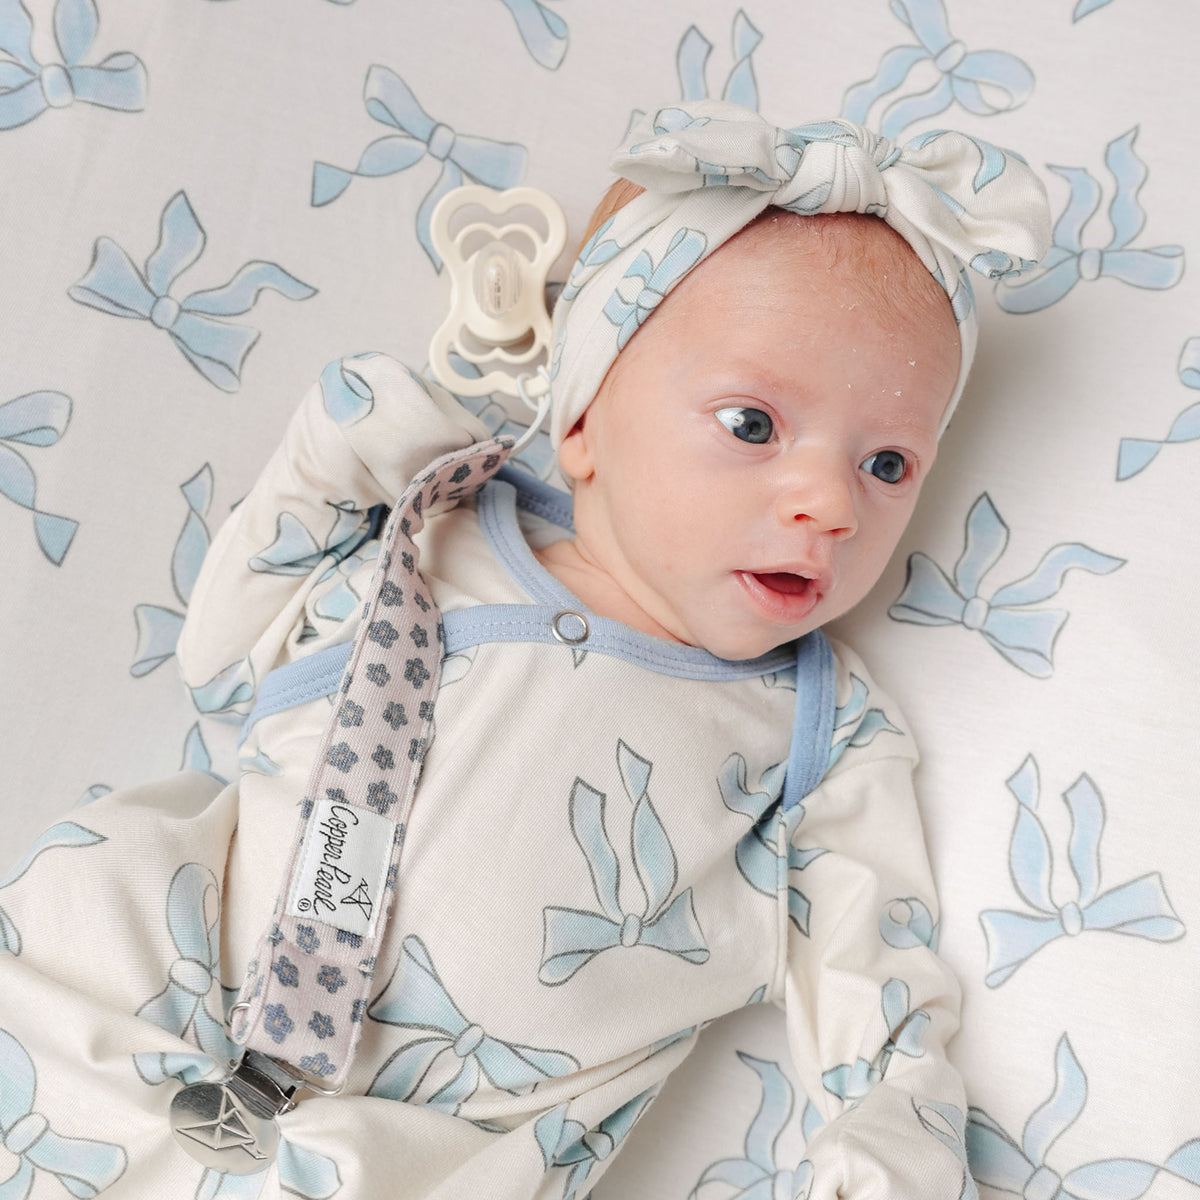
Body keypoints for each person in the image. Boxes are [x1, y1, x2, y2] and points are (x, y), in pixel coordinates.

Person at [0, 101, 1049, 1199]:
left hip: (429, 1156)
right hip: (151, 993)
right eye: (752, 425)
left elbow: (875, 981)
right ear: (583, 421)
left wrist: (891, 1152)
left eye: (888, 465)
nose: (830, 504)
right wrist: (335, 460)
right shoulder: (438, 533)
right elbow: (226, 667)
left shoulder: (820, 732)